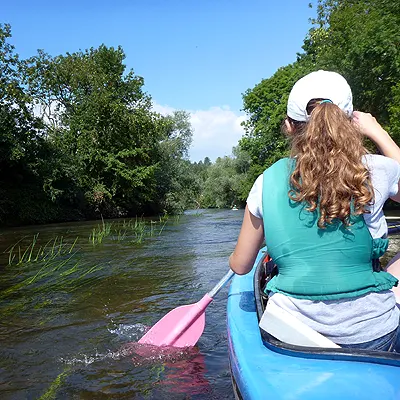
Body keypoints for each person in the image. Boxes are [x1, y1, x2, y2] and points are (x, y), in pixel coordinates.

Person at [229, 70, 400, 351]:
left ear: (289, 126)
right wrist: (377, 131)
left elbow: (241, 266)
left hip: (291, 332)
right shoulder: (378, 169)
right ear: (350, 123)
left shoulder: (265, 181)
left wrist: (234, 258)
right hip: (372, 334)